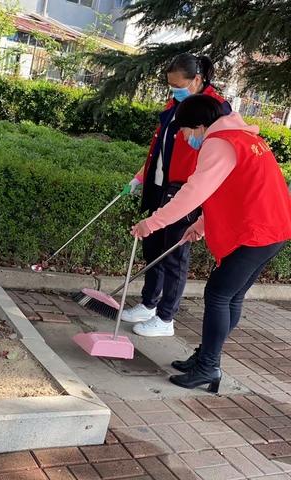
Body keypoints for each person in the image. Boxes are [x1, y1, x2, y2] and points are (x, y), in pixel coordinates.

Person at [131, 94, 291, 393]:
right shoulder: (241, 138)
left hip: (258, 231)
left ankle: (208, 366)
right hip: (273, 227)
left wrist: (151, 223)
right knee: (230, 296)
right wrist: (200, 226)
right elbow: (238, 189)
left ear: (201, 125)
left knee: (218, 294)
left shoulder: (220, 143)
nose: (187, 138)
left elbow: (194, 192)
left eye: (188, 132)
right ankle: (206, 358)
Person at [123, 53, 232, 338]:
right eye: (170, 85)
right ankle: (149, 303)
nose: (173, 90)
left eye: (178, 85)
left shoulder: (216, 108)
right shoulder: (175, 104)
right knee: (153, 246)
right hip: (161, 183)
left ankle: (166, 317)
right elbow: (159, 145)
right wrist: (141, 175)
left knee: (173, 252)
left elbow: (213, 161)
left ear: (197, 80)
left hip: (186, 187)